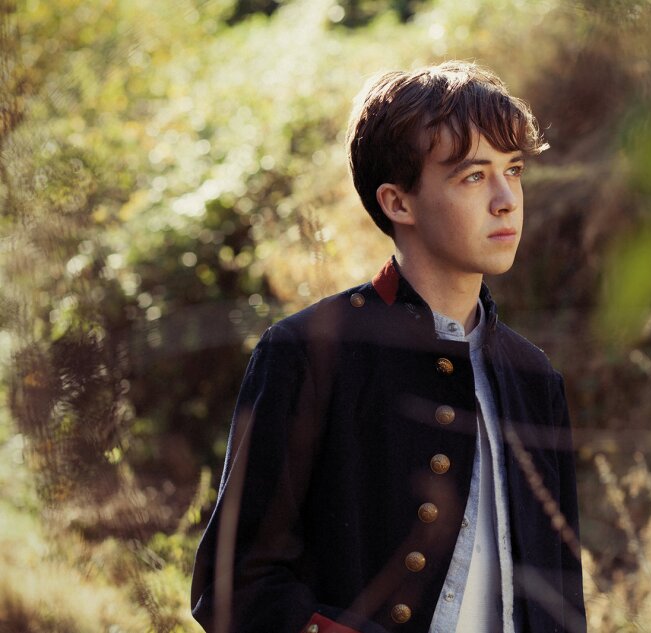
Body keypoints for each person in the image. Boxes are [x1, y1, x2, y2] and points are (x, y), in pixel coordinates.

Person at [191, 60, 586, 633]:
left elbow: (561, 601)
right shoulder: (307, 352)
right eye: (473, 177)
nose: (506, 200)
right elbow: (234, 585)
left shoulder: (534, 377)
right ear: (398, 203)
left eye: (514, 170)